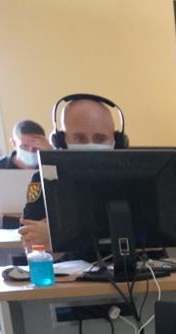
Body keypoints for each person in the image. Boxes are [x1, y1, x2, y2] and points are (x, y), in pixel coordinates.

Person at [17, 96, 126, 251]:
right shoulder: (44, 178)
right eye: (80, 138)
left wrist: (59, 237)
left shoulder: (140, 175)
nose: (90, 145)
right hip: (71, 273)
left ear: (117, 141)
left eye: (100, 139)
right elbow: (32, 243)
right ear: (60, 141)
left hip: (139, 271)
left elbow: (154, 243)